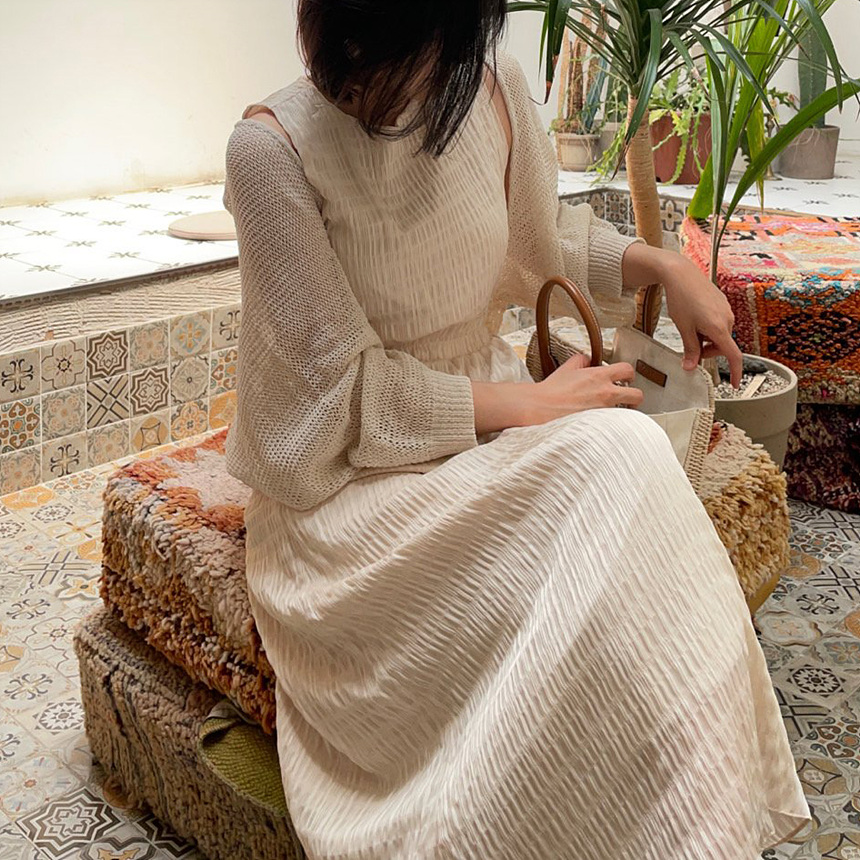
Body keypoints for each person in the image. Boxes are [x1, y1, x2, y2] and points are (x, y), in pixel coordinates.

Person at [221, 1, 810, 856]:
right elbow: (338, 396)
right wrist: (527, 407)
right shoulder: (270, 151)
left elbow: (546, 243)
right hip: (351, 501)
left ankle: (700, 832)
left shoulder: (491, 86)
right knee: (617, 453)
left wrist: (662, 265)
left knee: (622, 494)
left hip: (489, 435)